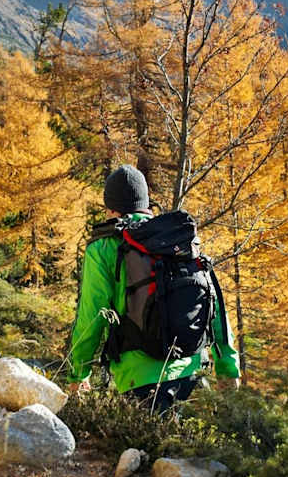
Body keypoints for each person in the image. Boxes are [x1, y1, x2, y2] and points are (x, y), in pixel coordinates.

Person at [66, 164, 240, 412]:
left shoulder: (103, 248)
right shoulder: (178, 241)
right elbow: (215, 307)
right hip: (193, 373)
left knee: (145, 449)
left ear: (110, 208)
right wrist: (228, 369)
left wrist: (78, 373)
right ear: (146, 204)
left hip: (141, 379)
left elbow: (92, 317)